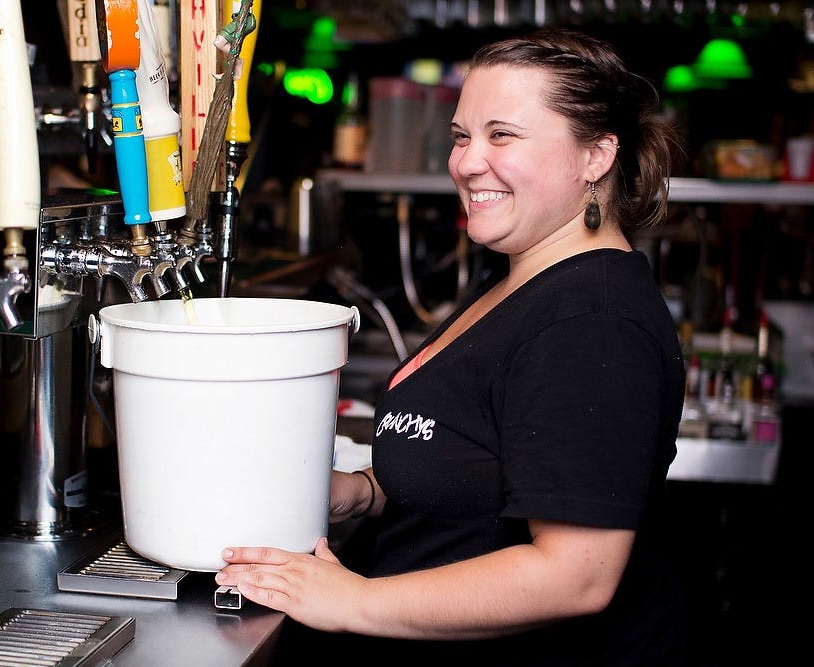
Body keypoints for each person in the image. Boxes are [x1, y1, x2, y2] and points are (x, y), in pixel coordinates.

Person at [217, 27, 687, 665]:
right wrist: (363, 489)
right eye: (462, 136)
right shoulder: (524, 280)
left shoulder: (591, 319)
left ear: (596, 155)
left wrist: (351, 600)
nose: (467, 162)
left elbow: (576, 576)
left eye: (503, 135)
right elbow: (473, 462)